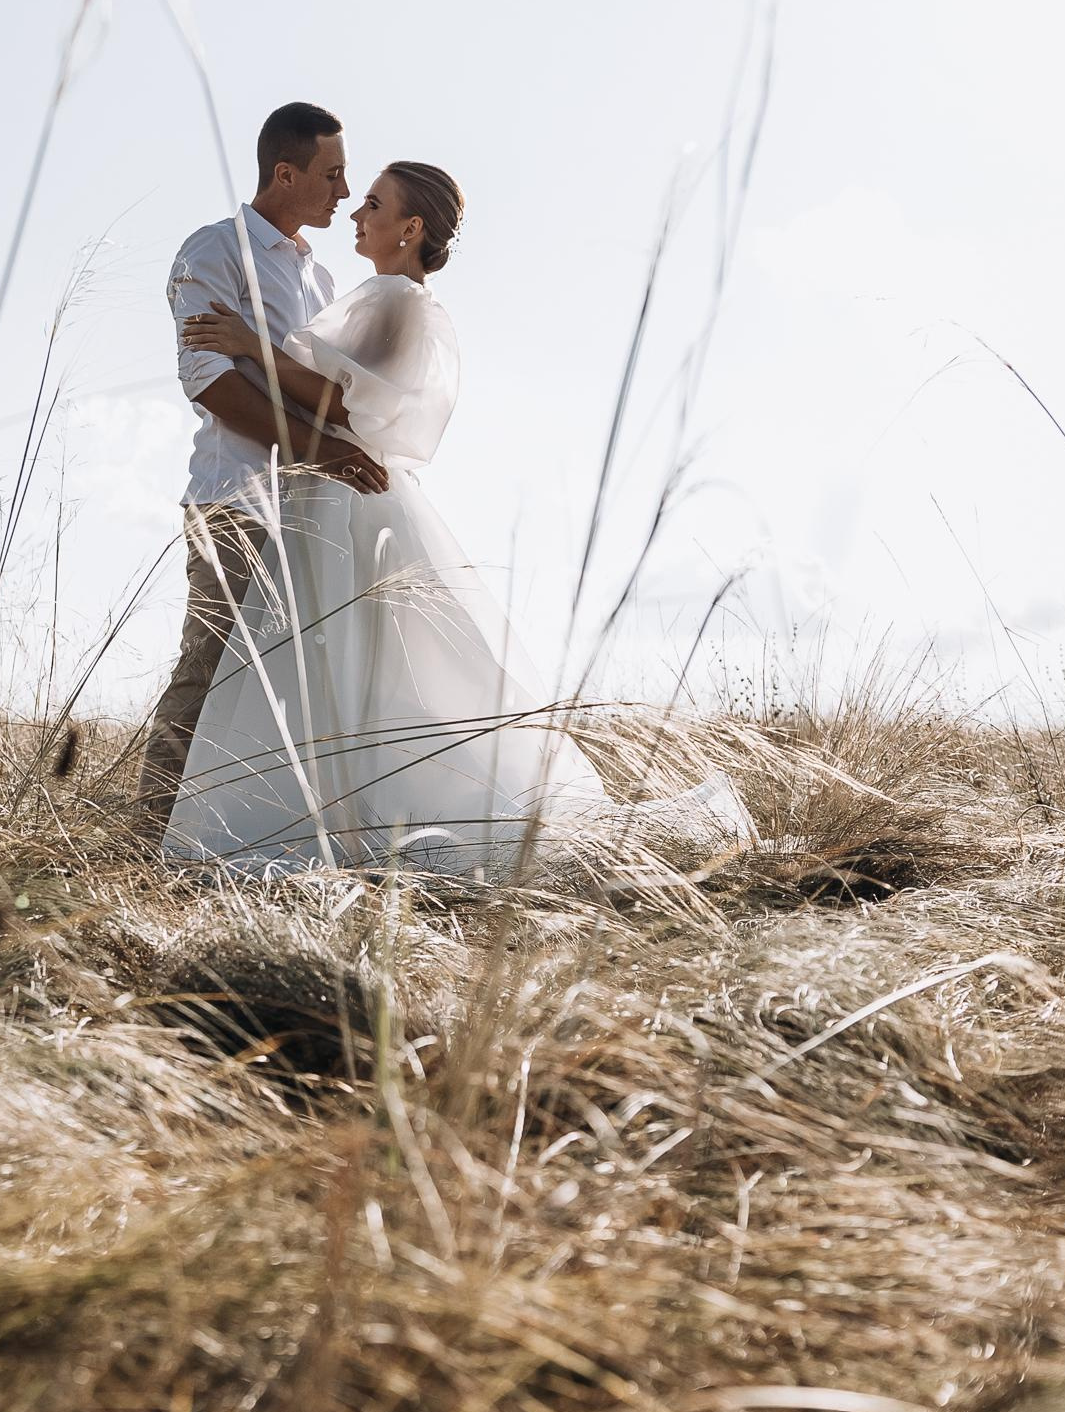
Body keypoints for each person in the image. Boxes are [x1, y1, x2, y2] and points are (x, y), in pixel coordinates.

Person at [161, 157, 749, 880]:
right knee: (329, 666)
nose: (355, 210)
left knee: (348, 662)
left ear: (409, 228)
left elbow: (353, 405)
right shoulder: (376, 294)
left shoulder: (397, 301)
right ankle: (329, 811)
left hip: (344, 492)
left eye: (372, 202)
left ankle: (341, 820)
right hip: (325, 491)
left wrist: (251, 346)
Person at [132, 102, 390, 832]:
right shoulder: (209, 252)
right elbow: (211, 383)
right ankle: (147, 836)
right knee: (206, 671)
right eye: (331, 175)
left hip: (313, 514)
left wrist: (331, 447)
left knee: (294, 684)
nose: (343, 193)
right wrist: (322, 451)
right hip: (234, 500)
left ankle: (248, 834)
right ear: (286, 173)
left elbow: (325, 398)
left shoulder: (322, 281)